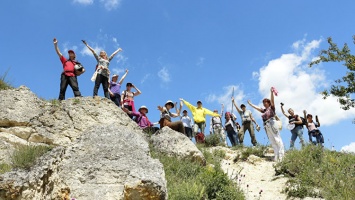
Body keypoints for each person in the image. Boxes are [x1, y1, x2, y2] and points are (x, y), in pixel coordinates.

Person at [248, 87, 285, 161]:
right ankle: (276, 156)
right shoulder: (264, 110)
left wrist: (271, 92)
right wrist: (251, 104)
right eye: (263, 103)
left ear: (268, 103)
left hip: (272, 123)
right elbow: (258, 108)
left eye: (265, 102)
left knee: (277, 139)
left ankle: (281, 156)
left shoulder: (272, 108)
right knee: (272, 140)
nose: (264, 104)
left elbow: (272, 100)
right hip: (266, 125)